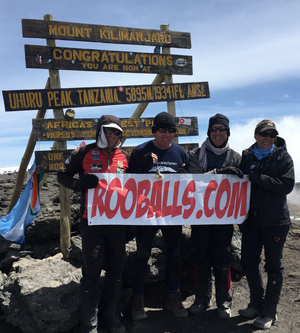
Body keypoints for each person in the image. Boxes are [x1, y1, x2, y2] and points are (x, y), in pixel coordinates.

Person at [57, 115, 130, 333]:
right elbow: (61, 175)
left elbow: (136, 187)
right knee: (92, 272)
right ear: (99, 131)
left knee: (116, 271)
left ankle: (110, 315)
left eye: (117, 132)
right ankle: (89, 321)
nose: (113, 136)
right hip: (93, 222)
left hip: (118, 223)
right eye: (108, 131)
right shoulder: (83, 152)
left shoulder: (125, 157)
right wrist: (78, 184)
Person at [129, 111, 189, 320]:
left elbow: (195, 182)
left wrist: (186, 176)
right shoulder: (140, 151)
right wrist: (141, 168)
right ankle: (137, 300)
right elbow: (126, 183)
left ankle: (174, 297)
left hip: (172, 214)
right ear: (154, 131)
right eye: (162, 130)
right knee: (142, 256)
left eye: (171, 130)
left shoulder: (181, 154)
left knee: (174, 255)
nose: (167, 134)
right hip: (145, 213)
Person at [238, 120, 294, 329]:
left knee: (274, 266)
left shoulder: (282, 156)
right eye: (264, 134)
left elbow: (286, 185)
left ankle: (270, 311)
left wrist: (257, 178)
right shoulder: (246, 156)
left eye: (272, 135)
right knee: (249, 263)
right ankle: (256, 304)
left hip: (275, 222)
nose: (268, 138)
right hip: (251, 220)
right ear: (256, 136)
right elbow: (241, 181)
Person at [187, 113, 243, 320]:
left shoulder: (237, 157)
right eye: (214, 129)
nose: (218, 132)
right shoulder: (195, 154)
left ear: (228, 131)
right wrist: (218, 172)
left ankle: (224, 302)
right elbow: (193, 181)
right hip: (200, 217)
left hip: (224, 219)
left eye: (222, 129)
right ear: (209, 132)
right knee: (201, 258)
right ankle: (201, 300)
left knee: (222, 258)